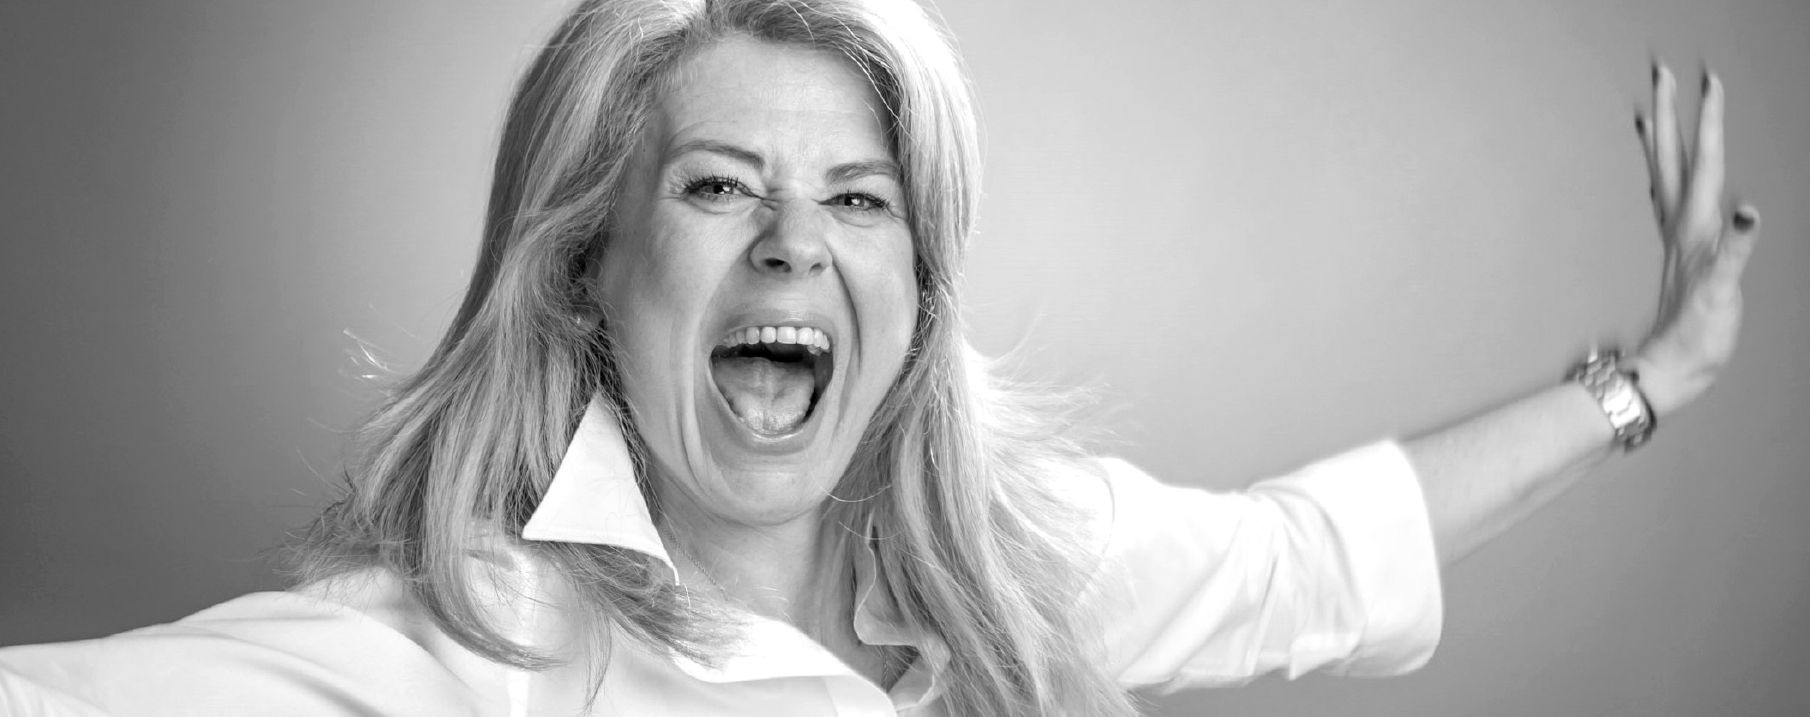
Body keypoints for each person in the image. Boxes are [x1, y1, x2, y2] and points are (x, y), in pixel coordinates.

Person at [0, 0, 1760, 715]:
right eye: (717, 186)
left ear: (916, 289)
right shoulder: (470, 648)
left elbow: (1307, 558)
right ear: (588, 269)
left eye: (858, 198)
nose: (796, 243)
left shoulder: (1014, 558)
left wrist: (1650, 378)